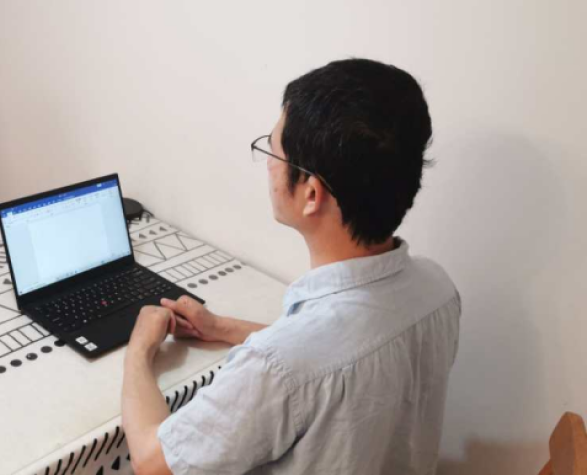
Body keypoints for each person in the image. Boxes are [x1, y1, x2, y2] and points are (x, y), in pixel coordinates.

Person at [121, 58, 461, 475]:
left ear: (312, 194)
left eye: (273, 150)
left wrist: (140, 349)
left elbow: (152, 462)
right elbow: (339, 356)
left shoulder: (279, 366)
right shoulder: (438, 291)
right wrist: (223, 328)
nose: (268, 164)